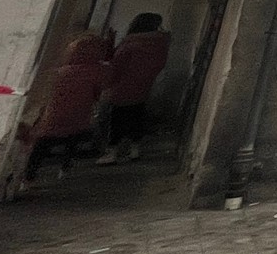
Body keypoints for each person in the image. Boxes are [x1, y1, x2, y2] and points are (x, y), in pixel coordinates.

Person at [20, 33, 111, 189]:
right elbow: (98, 92)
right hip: (80, 113)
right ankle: (65, 167)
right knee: (73, 139)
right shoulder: (98, 71)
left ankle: (28, 178)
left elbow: (46, 93)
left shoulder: (60, 72)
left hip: (54, 114)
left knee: (42, 145)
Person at [96, 12, 171, 164]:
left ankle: (112, 152)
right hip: (143, 85)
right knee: (136, 116)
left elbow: (116, 64)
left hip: (122, 86)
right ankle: (135, 149)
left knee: (116, 120)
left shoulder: (131, 43)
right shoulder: (159, 43)